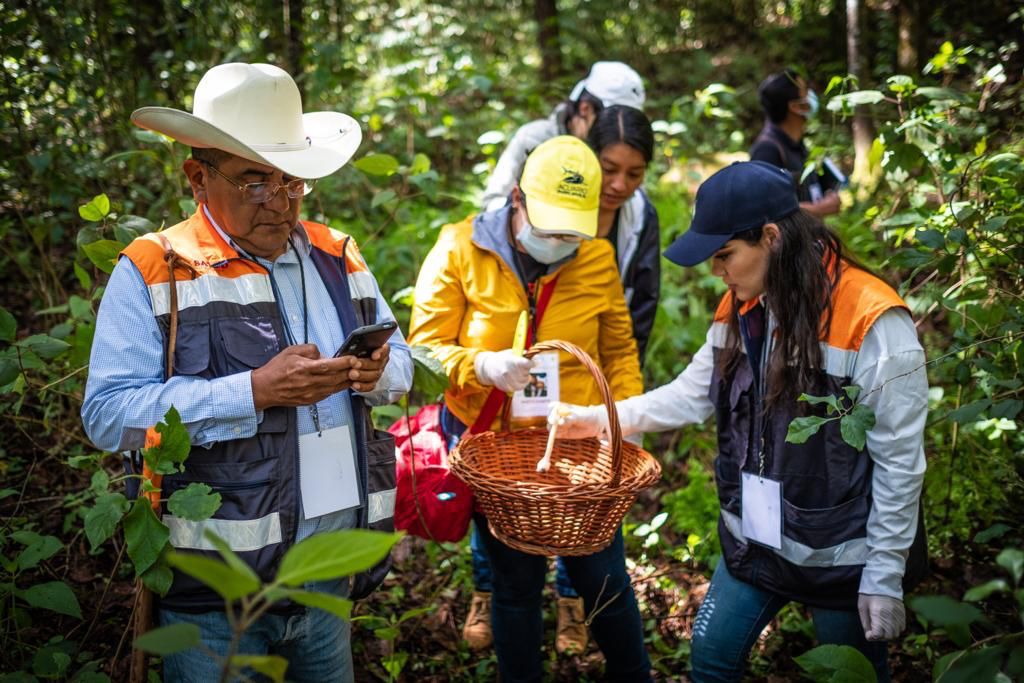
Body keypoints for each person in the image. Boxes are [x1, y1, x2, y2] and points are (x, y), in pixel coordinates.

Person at [81, 63, 413, 682]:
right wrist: (254, 391)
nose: (279, 202)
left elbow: (405, 365)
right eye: (255, 182)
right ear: (198, 177)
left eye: (291, 181)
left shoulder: (338, 254)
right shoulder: (159, 269)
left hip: (326, 579)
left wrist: (379, 372)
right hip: (212, 597)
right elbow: (107, 415)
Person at [554, 161, 928, 682]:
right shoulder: (741, 305)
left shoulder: (871, 318)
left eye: (725, 254)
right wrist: (598, 418)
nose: (718, 271)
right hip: (754, 541)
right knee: (710, 660)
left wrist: (885, 573)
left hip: (843, 556)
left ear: (771, 238)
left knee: (852, 676)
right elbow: (691, 395)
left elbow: (900, 459)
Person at [408, 136, 651, 681]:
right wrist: (483, 366)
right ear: (517, 199)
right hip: (497, 455)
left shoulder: (598, 258)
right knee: (514, 582)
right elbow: (422, 352)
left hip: (579, 452)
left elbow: (618, 352)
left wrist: (623, 421)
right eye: (550, 228)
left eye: (573, 232)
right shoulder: (459, 248)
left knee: (603, 575)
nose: (561, 241)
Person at [481, 61, 645, 213]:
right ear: (585, 108)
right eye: (610, 117)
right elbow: (492, 202)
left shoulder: (619, 152)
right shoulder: (534, 138)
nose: (618, 125)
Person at [587, 104, 660, 363]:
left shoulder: (640, 216)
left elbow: (642, 304)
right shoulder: (554, 201)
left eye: (634, 174)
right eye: (608, 169)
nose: (619, 185)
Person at [750, 68, 843, 218]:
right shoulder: (767, 150)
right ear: (795, 106)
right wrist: (819, 209)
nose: (811, 95)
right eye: (805, 91)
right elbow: (767, 208)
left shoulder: (798, 144)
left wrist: (829, 194)